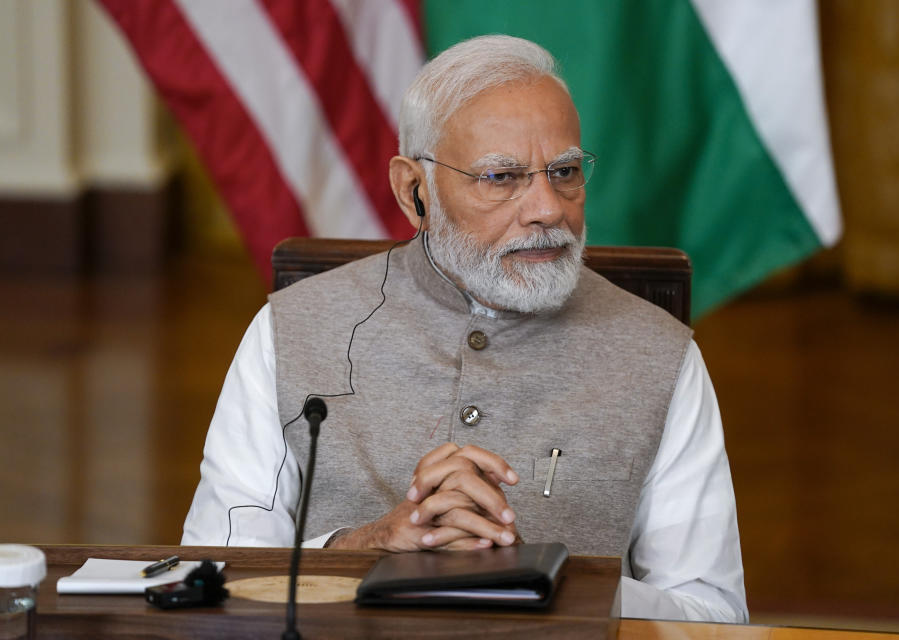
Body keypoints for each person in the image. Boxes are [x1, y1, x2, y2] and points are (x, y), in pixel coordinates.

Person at [182, 35, 747, 623]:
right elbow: (212, 576)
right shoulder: (291, 331)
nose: (547, 208)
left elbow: (710, 612)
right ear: (414, 190)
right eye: (502, 177)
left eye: (565, 171)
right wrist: (369, 550)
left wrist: (544, 578)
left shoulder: (659, 354)